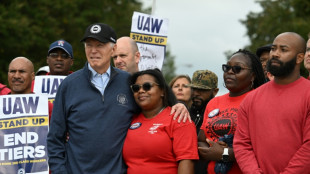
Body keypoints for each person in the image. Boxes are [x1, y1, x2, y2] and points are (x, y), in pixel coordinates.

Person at [47, 22, 190, 174]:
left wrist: (176, 104)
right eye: (89, 45)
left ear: (113, 49)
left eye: (100, 45)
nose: (93, 51)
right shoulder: (68, 85)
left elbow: (152, 108)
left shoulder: (129, 82)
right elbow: (55, 138)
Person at [234, 32, 310, 173]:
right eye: (273, 49)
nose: (275, 54)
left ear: (299, 57)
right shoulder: (251, 98)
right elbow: (242, 143)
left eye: (283, 50)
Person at [198, 49, 265, 174]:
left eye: (237, 69)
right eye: (227, 67)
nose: (229, 72)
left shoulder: (260, 100)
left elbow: (263, 148)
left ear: (253, 75)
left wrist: (223, 154)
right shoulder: (214, 103)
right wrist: (211, 151)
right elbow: (201, 139)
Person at [123, 69, 198, 174]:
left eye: (147, 86)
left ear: (162, 91)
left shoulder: (179, 118)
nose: (141, 91)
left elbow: (186, 162)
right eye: (136, 88)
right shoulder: (129, 120)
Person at [188, 70, 219, 134]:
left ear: (215, 91)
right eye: (193, 89)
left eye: (202, 90)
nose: (196, 93)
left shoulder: (220, 116)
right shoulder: (184, 112)